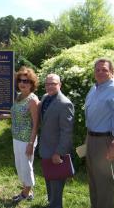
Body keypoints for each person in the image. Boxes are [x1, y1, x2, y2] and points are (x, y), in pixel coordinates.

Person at [85, 58, 114, 208]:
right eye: (98, 70)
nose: (100, 72)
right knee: (93, 180)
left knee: (105, 183)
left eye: (104, 69)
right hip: (90, 138)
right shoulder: (94, 89)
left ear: (112, 72)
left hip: (105, 141)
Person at [39, 74, 74, 208]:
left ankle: (55, 205)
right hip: (45, 148)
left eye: (53, 83)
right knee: (49, 180)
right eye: (47, 84)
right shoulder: (45, 97)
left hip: (56, 151)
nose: (50, 86)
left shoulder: (65, 104)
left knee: (57, 184)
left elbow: (67, 132)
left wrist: (59, 152)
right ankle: (51, 203)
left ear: (60, 85)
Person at [11, 67, 39, 202]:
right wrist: (2, 115)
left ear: (31, 84)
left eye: (27, 81)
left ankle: (25, 193)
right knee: (20, 165)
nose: (23, 83)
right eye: (21, 81)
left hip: (27, 139)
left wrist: (31, 143)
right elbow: (16, 115)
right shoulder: (18, 97)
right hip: (16, 137)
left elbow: (36, 124)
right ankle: (27, 189)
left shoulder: (33, 100)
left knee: (26, 166)